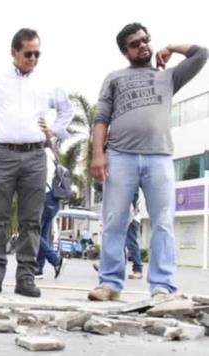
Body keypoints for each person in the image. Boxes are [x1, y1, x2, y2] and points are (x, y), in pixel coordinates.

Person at [89, 23, 208, 301]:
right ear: (124, 51)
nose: (142, 45)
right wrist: (98, 154)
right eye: (134, 43)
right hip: (120, 156)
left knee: (163, 222)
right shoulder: (114, 78)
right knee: (114, 221)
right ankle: (109, 284)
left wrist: (172, 48)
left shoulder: (168, 77)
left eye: (145, 40)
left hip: (160, 157)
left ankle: (162, 285)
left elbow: (201, 54)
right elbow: (101, 118)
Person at [0, 28, 73, 297]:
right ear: (14, 53)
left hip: (35, 156)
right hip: (1, 154)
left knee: (31, 221)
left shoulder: (48, 82)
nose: (33, 58)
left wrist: (54, 130)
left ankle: (26, 278)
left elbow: (67, 109)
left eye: (37, 53)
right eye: (28, 53)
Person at [35, 148, 64, 279]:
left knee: (32, 230)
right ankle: (39, 268)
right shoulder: (52, 155)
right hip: (54, 198)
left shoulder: (41, 153)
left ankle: (55, 260)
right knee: (43, 234)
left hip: (44, 196)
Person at [126, 190, 143, 279]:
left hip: (132, 218)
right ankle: (110, 267)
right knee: (117, 242)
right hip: (128, 216)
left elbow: (134, 198)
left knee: (131, 243)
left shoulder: (134, 183)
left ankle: (138, 270)